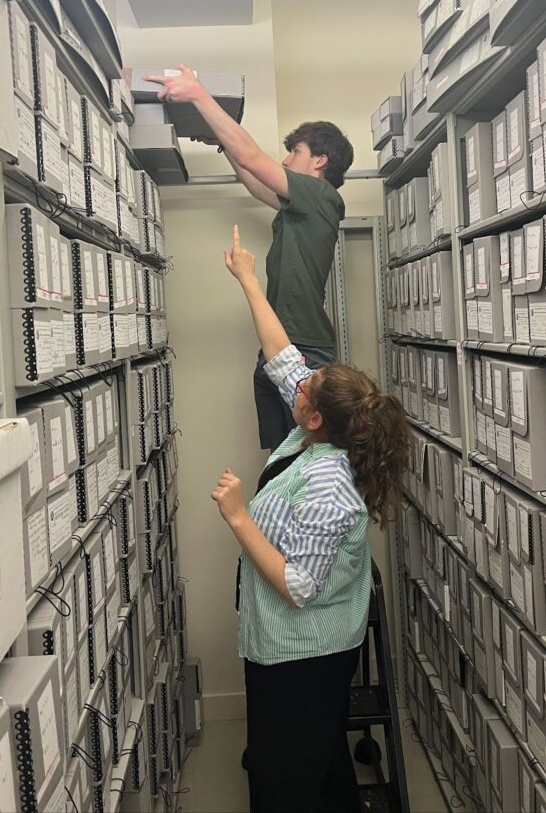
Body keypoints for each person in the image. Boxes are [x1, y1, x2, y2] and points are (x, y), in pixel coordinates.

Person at [210, 226, 410, 813]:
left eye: (307, 389)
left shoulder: (329, 483)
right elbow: (283, 356)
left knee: (284, 774)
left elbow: (298, 586)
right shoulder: (317, 431)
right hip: (292, 645)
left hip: (304, 654)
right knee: (317, 759)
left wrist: (239, 516)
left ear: (316, 417)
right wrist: (248, 279)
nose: (298, 383)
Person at [145, 66, 354, 451]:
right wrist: (223, 146)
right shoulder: (301, 206)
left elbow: (255, 158)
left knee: (302, 459)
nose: (287, 160)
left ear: (320, 161)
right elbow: (258, 184)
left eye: (296, 152)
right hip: (282, 345)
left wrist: (197, 94)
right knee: (282, 458)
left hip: (302, 348)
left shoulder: (321, 197)